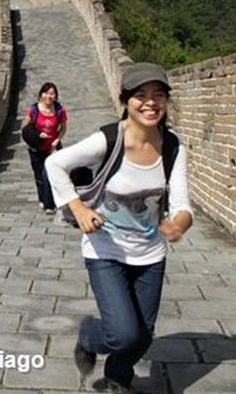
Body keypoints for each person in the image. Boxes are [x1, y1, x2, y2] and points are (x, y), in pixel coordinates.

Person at [46, 62, 192, 392]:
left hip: (151, 254)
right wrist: (78, 208)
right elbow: (54, 163)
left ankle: (117, 379)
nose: (150, 102)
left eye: (158, 95)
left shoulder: (172, 147)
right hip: (105, 250)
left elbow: (182, 203)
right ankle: (88, 334)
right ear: (125, 99)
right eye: (141, 95)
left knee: (143, 336)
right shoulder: (108, 140)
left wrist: (179, 224)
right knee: (123, 334)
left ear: (167, 101)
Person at [21, 82, 67, 214]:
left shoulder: (59, 110)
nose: (49, 96)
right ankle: (43, 199)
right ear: (41, 94)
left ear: (56, 96)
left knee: (49, 175)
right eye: (46, 93)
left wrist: (57, 139)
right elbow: (25, 128)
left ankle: (49, 204)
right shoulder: (33, 109)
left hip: (51, 150)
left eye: (52, 93)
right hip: (36, 149)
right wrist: (38, 135)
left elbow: (63, 128)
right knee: (39, 177)